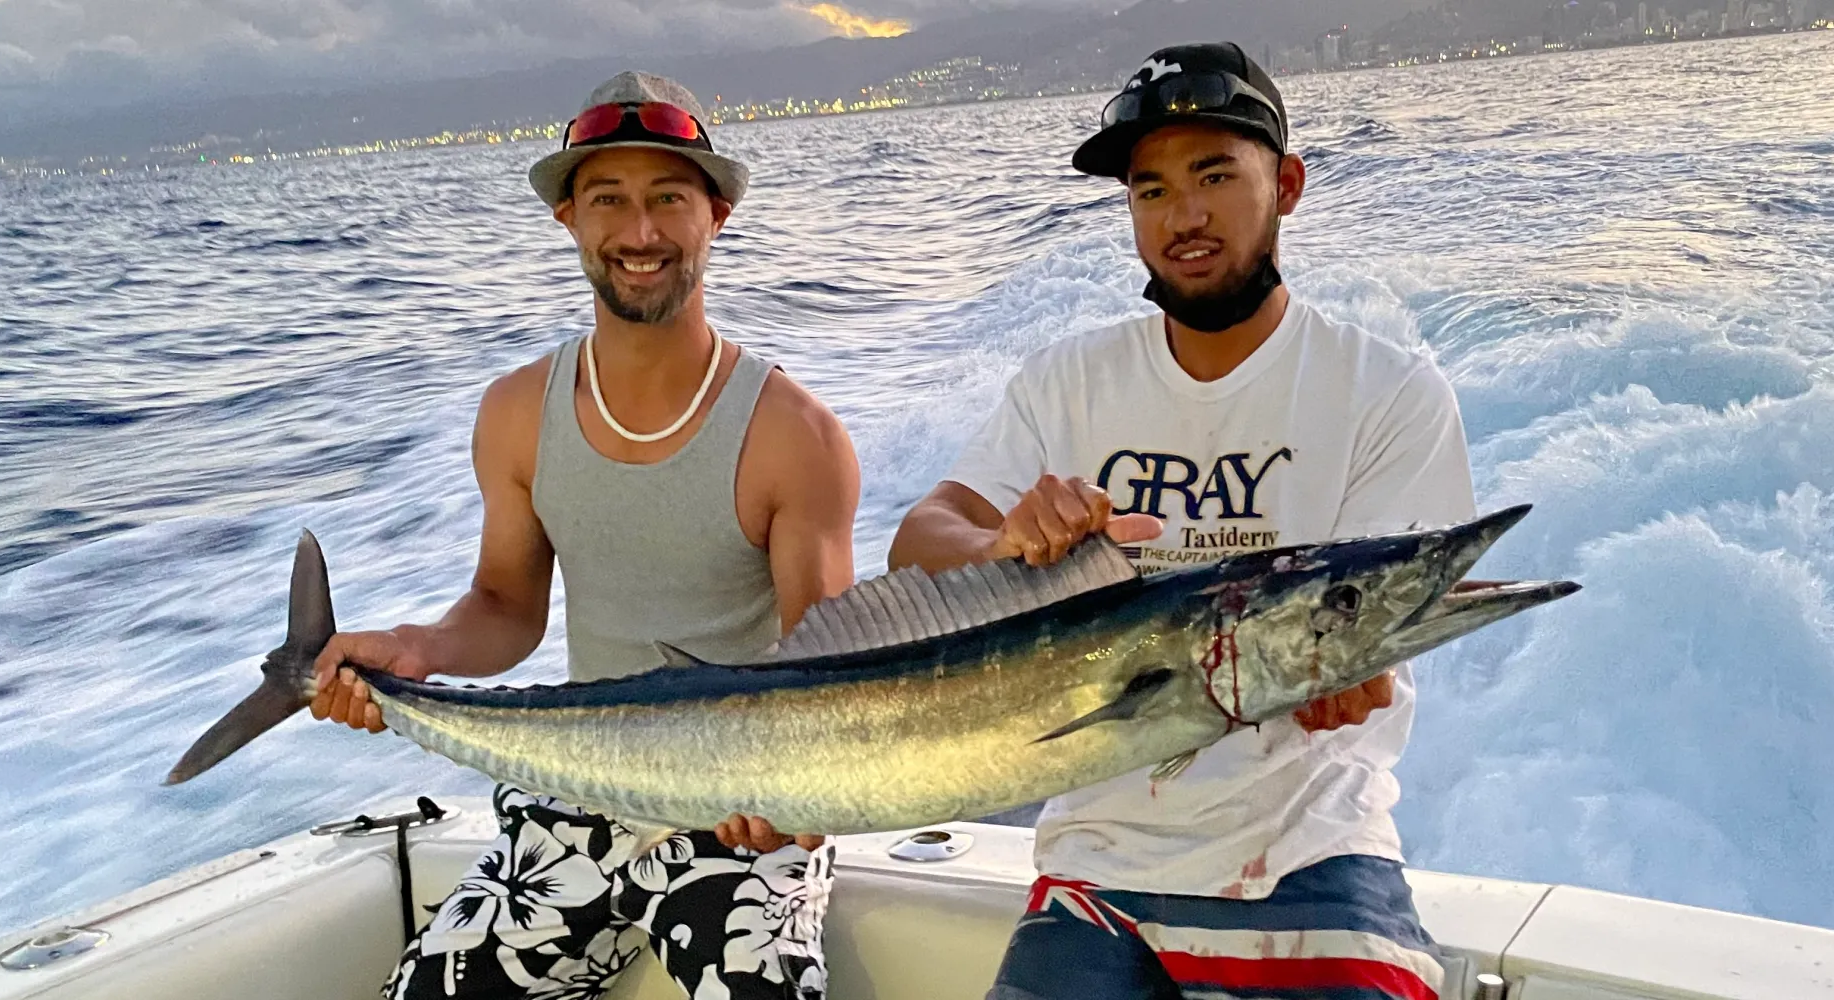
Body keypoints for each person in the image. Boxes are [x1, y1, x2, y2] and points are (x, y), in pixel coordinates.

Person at [889, 43, 1474, 1000]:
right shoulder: (1068, 380)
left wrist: (1356, 672)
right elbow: (923, 535)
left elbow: (1371, 619)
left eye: (1214, 175)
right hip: (1097, 861)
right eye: (1150, 189)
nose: (1183, 216)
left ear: (1285, 184)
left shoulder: (1385, 390)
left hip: (1311, 849)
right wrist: (1002, 541)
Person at [308, 71, 858, 1000]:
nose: (639, 234)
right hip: (578, 787)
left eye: (668, 199)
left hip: (738, 807)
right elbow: (506, 608)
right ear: (569, 217)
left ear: (714, 215)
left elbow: (831, 671)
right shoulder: (518, 413)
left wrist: (793, 801)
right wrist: (412, 651)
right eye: (609, 200)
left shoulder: (793, 434)